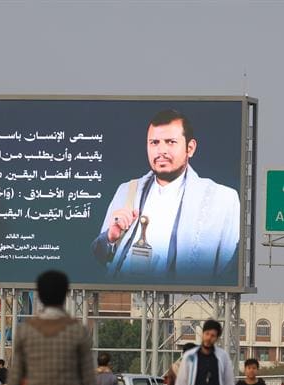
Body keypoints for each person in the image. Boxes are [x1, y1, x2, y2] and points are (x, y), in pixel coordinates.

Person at [91, 109, 240, 282]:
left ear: (190, 148)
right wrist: (111, 237)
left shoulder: (222, 199)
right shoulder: (127, 190)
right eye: (154, 142)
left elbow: (227, 269)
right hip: (127, 296)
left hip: (183, 301)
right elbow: (101, 258)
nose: (161, 151)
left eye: (170, 142)